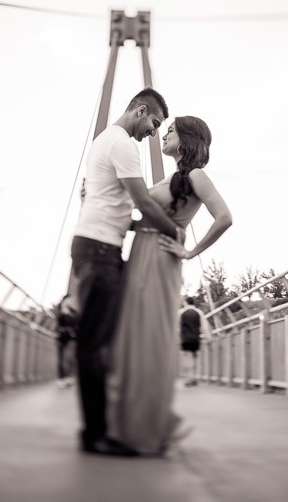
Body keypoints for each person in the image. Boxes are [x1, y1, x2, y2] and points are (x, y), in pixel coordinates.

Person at [106, 115, 232, 456]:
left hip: (161, 259)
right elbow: (144, 219)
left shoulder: (195, 175)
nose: (164, 134)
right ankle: (137, 424)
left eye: (172, 130)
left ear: (188, 139)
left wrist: (191, 252)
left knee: (148, 339)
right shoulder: (171, 176)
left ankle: (147, 428)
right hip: (141, 253)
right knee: (133, 337)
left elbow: (225, 217)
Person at [70, 87, 183, 456]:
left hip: (100, 246)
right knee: (94, 344)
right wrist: (176, 234)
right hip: (99, 248)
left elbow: (122, 205)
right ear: (139, 110)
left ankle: (104, 428)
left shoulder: (106, 141)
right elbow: (143, 203)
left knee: (101, 341)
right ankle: (96, 435)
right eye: (154, 122)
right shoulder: (122, 145)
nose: (153, 132)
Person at [178, 296, 212, 387]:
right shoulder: (199, 312)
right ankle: (194, 377)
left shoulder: (181, 313)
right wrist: (208, 337)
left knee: (186, 358)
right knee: (195, 358)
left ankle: (189, 378)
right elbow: (204, 327)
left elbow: (176, 327)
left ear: (185, 302)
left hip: (185, 339)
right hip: (196, 339)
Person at [56, 294, 79, 388]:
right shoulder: (60, 312)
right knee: (61, 358)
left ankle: (68, 377)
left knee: (68, 357)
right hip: (62, 337)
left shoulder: (74, 313)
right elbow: (59, 324)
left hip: (71, 338)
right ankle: (62, 378)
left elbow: (77, 323)